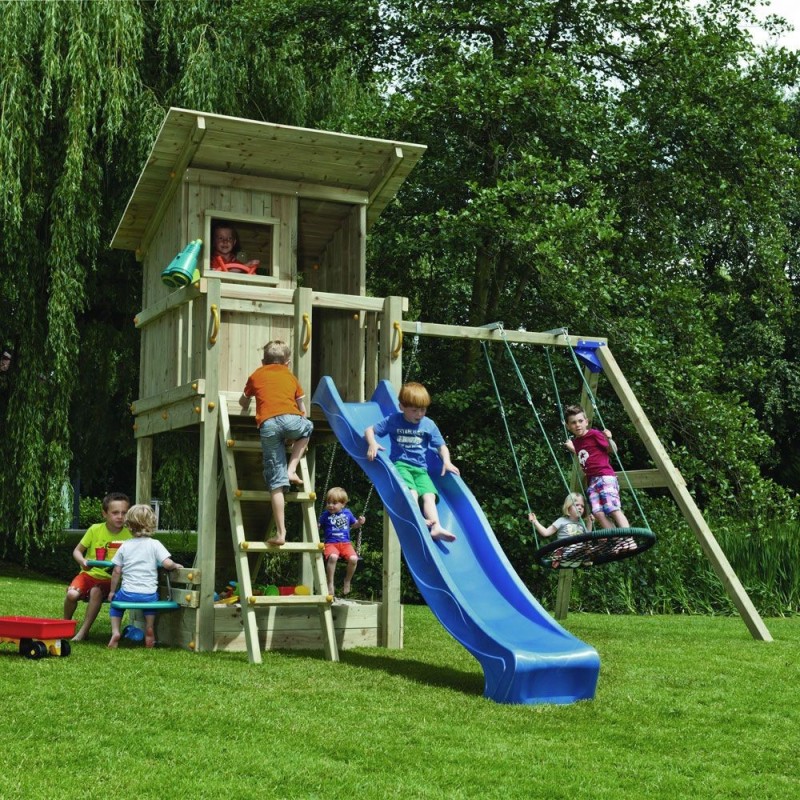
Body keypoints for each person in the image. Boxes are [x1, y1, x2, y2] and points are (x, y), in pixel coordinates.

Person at [239, 340, 313, 545]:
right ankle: (292, 468)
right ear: (287, 363)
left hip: (268, 424)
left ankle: (281, 534)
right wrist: (295, 430)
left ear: (263, 361)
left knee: (275, 484)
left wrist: (246, 405)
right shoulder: (291, 376)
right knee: (307, 428)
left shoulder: (256, 375)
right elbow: (303, 410)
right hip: (291, 418)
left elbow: (243, 401)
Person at [365, 381, 459, 542]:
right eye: (414, 410)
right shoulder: (393, 420)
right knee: (413, 491)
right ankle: (418, 518)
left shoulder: (428, 424)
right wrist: (372, 443)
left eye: (423, 409)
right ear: (402, 407)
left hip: (421, 469)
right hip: (401, 465)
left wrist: (447, 461)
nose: (419, 414)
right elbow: (369, 430)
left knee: (429, 495)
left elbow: (441, 446)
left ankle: (436, 527)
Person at [107, 504, 183, 649]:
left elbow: (117, 571)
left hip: (127, 593)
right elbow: (167, 563)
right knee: (150, 604)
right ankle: (149, 628)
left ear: (129, 525)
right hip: (148, 594)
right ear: (152, 524)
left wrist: (112, 592)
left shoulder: (125, 545)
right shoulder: (155, 544)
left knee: (115, 605)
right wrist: (175, 565)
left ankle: (115, 632)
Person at [63, 491, 132, 641]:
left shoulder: (130, 534)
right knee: (71, 594)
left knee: (96, 591)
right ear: (104, 514)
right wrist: (82, 561)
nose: (120, 516)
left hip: (110, 579)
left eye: (124, 513)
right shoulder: (95, 529)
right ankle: (65, 625)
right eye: (115, 513)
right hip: (88, 575)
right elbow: (77, 551)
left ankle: (83, 632)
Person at [564, 404, 630, 529]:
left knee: (612, 508)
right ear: (568, 426)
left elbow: (613, 450)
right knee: (598, 513)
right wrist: (571, 447)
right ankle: (618, 540)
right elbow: (584, 454)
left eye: (580, 421)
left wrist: (609, 438)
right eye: (573, 423)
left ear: (586, 422)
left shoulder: (594, 434)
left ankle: (629, 538)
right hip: (591, 482)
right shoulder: (576, 442)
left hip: (605, 476)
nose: (577, 425)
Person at [319, 487, 365, 596]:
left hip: (345, 544)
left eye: (334, 503)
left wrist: (360, 522)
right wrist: (316, 525)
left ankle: (347, 581)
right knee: (333, 557)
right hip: (331, 544)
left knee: (354, 559)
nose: (330, 505)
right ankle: (330, 583)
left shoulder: (347, 513)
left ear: (343, 504)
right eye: (328, 502)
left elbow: (355, 525)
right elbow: (318, 526)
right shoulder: (325, 515)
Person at [528, 492, 593, 540]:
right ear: (568, 507)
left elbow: (587, 539)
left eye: (582, 506)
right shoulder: (562, 520)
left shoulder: (581, 523)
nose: (580, 508)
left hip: (579, 552)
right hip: (566, 552)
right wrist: (535, 522)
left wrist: (589, 523)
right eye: (577, 505)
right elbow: (546, 532)